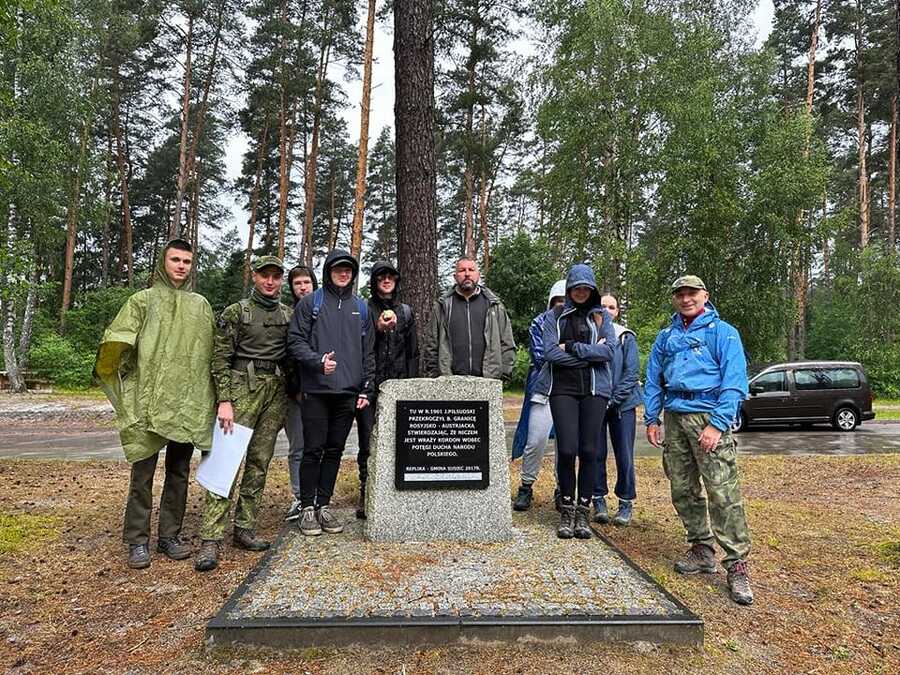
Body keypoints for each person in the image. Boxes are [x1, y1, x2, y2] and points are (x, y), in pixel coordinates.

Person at [94, 238, 215, 569]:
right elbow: (118, 341)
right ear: (163, 262)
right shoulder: (142, 302)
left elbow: (211, 351)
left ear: (191, 266)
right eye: (175, 259)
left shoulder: (200, 306)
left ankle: (169, 535)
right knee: (143, 474)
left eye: (186, 261)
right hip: (148, 401)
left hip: (186, 402)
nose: (180, 266)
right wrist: (126, 382)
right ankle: (137, 540)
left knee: (178, 471)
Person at [643, 275, 754, 606]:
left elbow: (735, 382)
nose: (685, 298)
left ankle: (737, 565)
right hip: (675, 417)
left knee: (722, 490)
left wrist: (717, 424)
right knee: (682, 487)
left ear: (704, 295)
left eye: (692, 293)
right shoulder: (667, 337)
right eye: (679, 294)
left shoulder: (723, 333)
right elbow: (653, 378)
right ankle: (702, 548)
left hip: (708, 416)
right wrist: (652, 417)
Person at [195, 255, 292, 572]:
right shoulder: (235, 313)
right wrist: (224, 399)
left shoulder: (288, 314)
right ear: (254, 277)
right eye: (265, 275)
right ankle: (211, 538)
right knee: (225, 460)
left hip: (274, 392)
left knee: (259, 462)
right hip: (240, 390)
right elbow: (219, 358)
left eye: (276, 277)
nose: (270, 281)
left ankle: (245, 528)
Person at [287, 249, 374, 537]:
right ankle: (307, 507)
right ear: (328, 271)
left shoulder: (360, 307)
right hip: (315, 390)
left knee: (335, 451)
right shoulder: (312, 303)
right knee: (313, 450)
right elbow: (295, 342)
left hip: (347, 393)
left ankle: (323, 505)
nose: (344, 273)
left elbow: (368, 352)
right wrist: (316, 361)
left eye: (348, 269)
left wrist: (366, 387)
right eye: (338, 269)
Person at [538, 263, 616, 539]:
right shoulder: (554, 316)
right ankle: (567, 507)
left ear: (592, 289)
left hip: (596, 390)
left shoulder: (600, 316)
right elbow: (549, 353)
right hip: (563, 389)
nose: (581, 291)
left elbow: (608, 352)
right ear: (570, 288)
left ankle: (584, 510)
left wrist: (571, 347)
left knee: (590, 450)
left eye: (586, 287)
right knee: (568, 449)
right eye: (576, 287)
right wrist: (588, 356)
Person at [355, 260, 419, 519]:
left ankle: (399, 491)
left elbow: (413, 351)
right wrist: (378, 330)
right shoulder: (364, 309)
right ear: (374, 281)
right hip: (369, 386)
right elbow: (359, 346)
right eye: (381, 276)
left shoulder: (406, 312)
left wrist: (412, 386)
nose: (386, 280)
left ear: (396, 281)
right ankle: (366, 491)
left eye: (391, 276)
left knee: (401, 440)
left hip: (399, 385)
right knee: (367, 440)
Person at [511, 279, 566, 511]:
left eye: (566, 300)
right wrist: (568, 351)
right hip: (543, 388)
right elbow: (543, 355)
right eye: (558, 300)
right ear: (551, 301)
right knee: (536, 440)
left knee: (566, 444)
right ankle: (526, 486)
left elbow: (589, 353)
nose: (562, 304)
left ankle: (563, 489)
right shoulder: (539, 323)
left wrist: (566, 350)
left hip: (570, 390)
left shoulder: (580, 322)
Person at [423, 256, 515, 380]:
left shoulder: (494, 305)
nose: (467, 274)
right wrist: (435, 376)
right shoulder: (442, 306)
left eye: (471, 270)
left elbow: (507, 341)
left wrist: (503, 374)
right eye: (462, 270)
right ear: (455, 276)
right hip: (450, 382)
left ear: (478, 275)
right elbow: (431, 345)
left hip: (488, 381)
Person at [592, 293, 641, 527]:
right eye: (603, 306)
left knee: (624, 454)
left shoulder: (626, 337)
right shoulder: (590, 335)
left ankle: (625, 501)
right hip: (595, 403)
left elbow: (631, 374)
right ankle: (598, 499)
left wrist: (613, 399)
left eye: (612, 307)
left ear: (618, 311)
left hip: (624, 405)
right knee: (596, 453)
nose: (607, 310)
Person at [283, 264, 318, 522]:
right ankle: (299, 496)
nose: (303, 287)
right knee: (298, 446)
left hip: (321, 392)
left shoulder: (324, 312)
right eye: (297, 284)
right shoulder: (287, 315)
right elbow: (287, 356)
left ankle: (317, 497)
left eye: (306, 282)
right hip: (295, 394)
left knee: (319, 447)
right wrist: (294, 389)